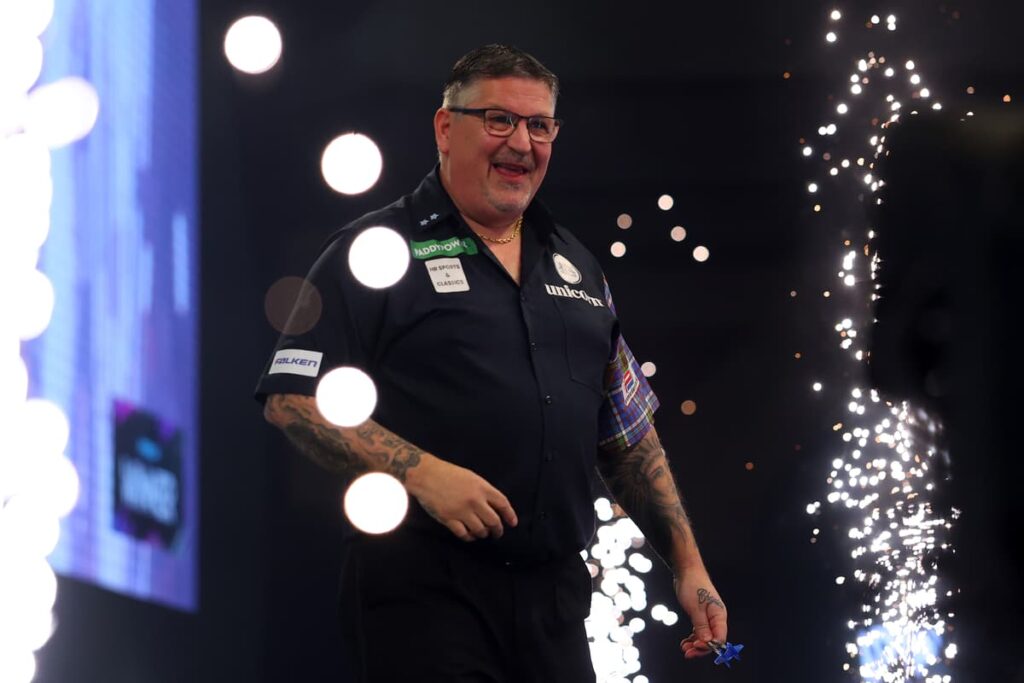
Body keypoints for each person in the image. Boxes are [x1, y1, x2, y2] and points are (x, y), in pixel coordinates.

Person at [256, 44, 728, 682]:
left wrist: (690, 566)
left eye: (540, 126)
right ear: (445, 128)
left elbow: (625, 436)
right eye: (499, 120)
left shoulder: (578, 267)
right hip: (423, 591)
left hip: (555, 602)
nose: (522, 143)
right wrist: (422, 474)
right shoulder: (377, 250)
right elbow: (293, 399)